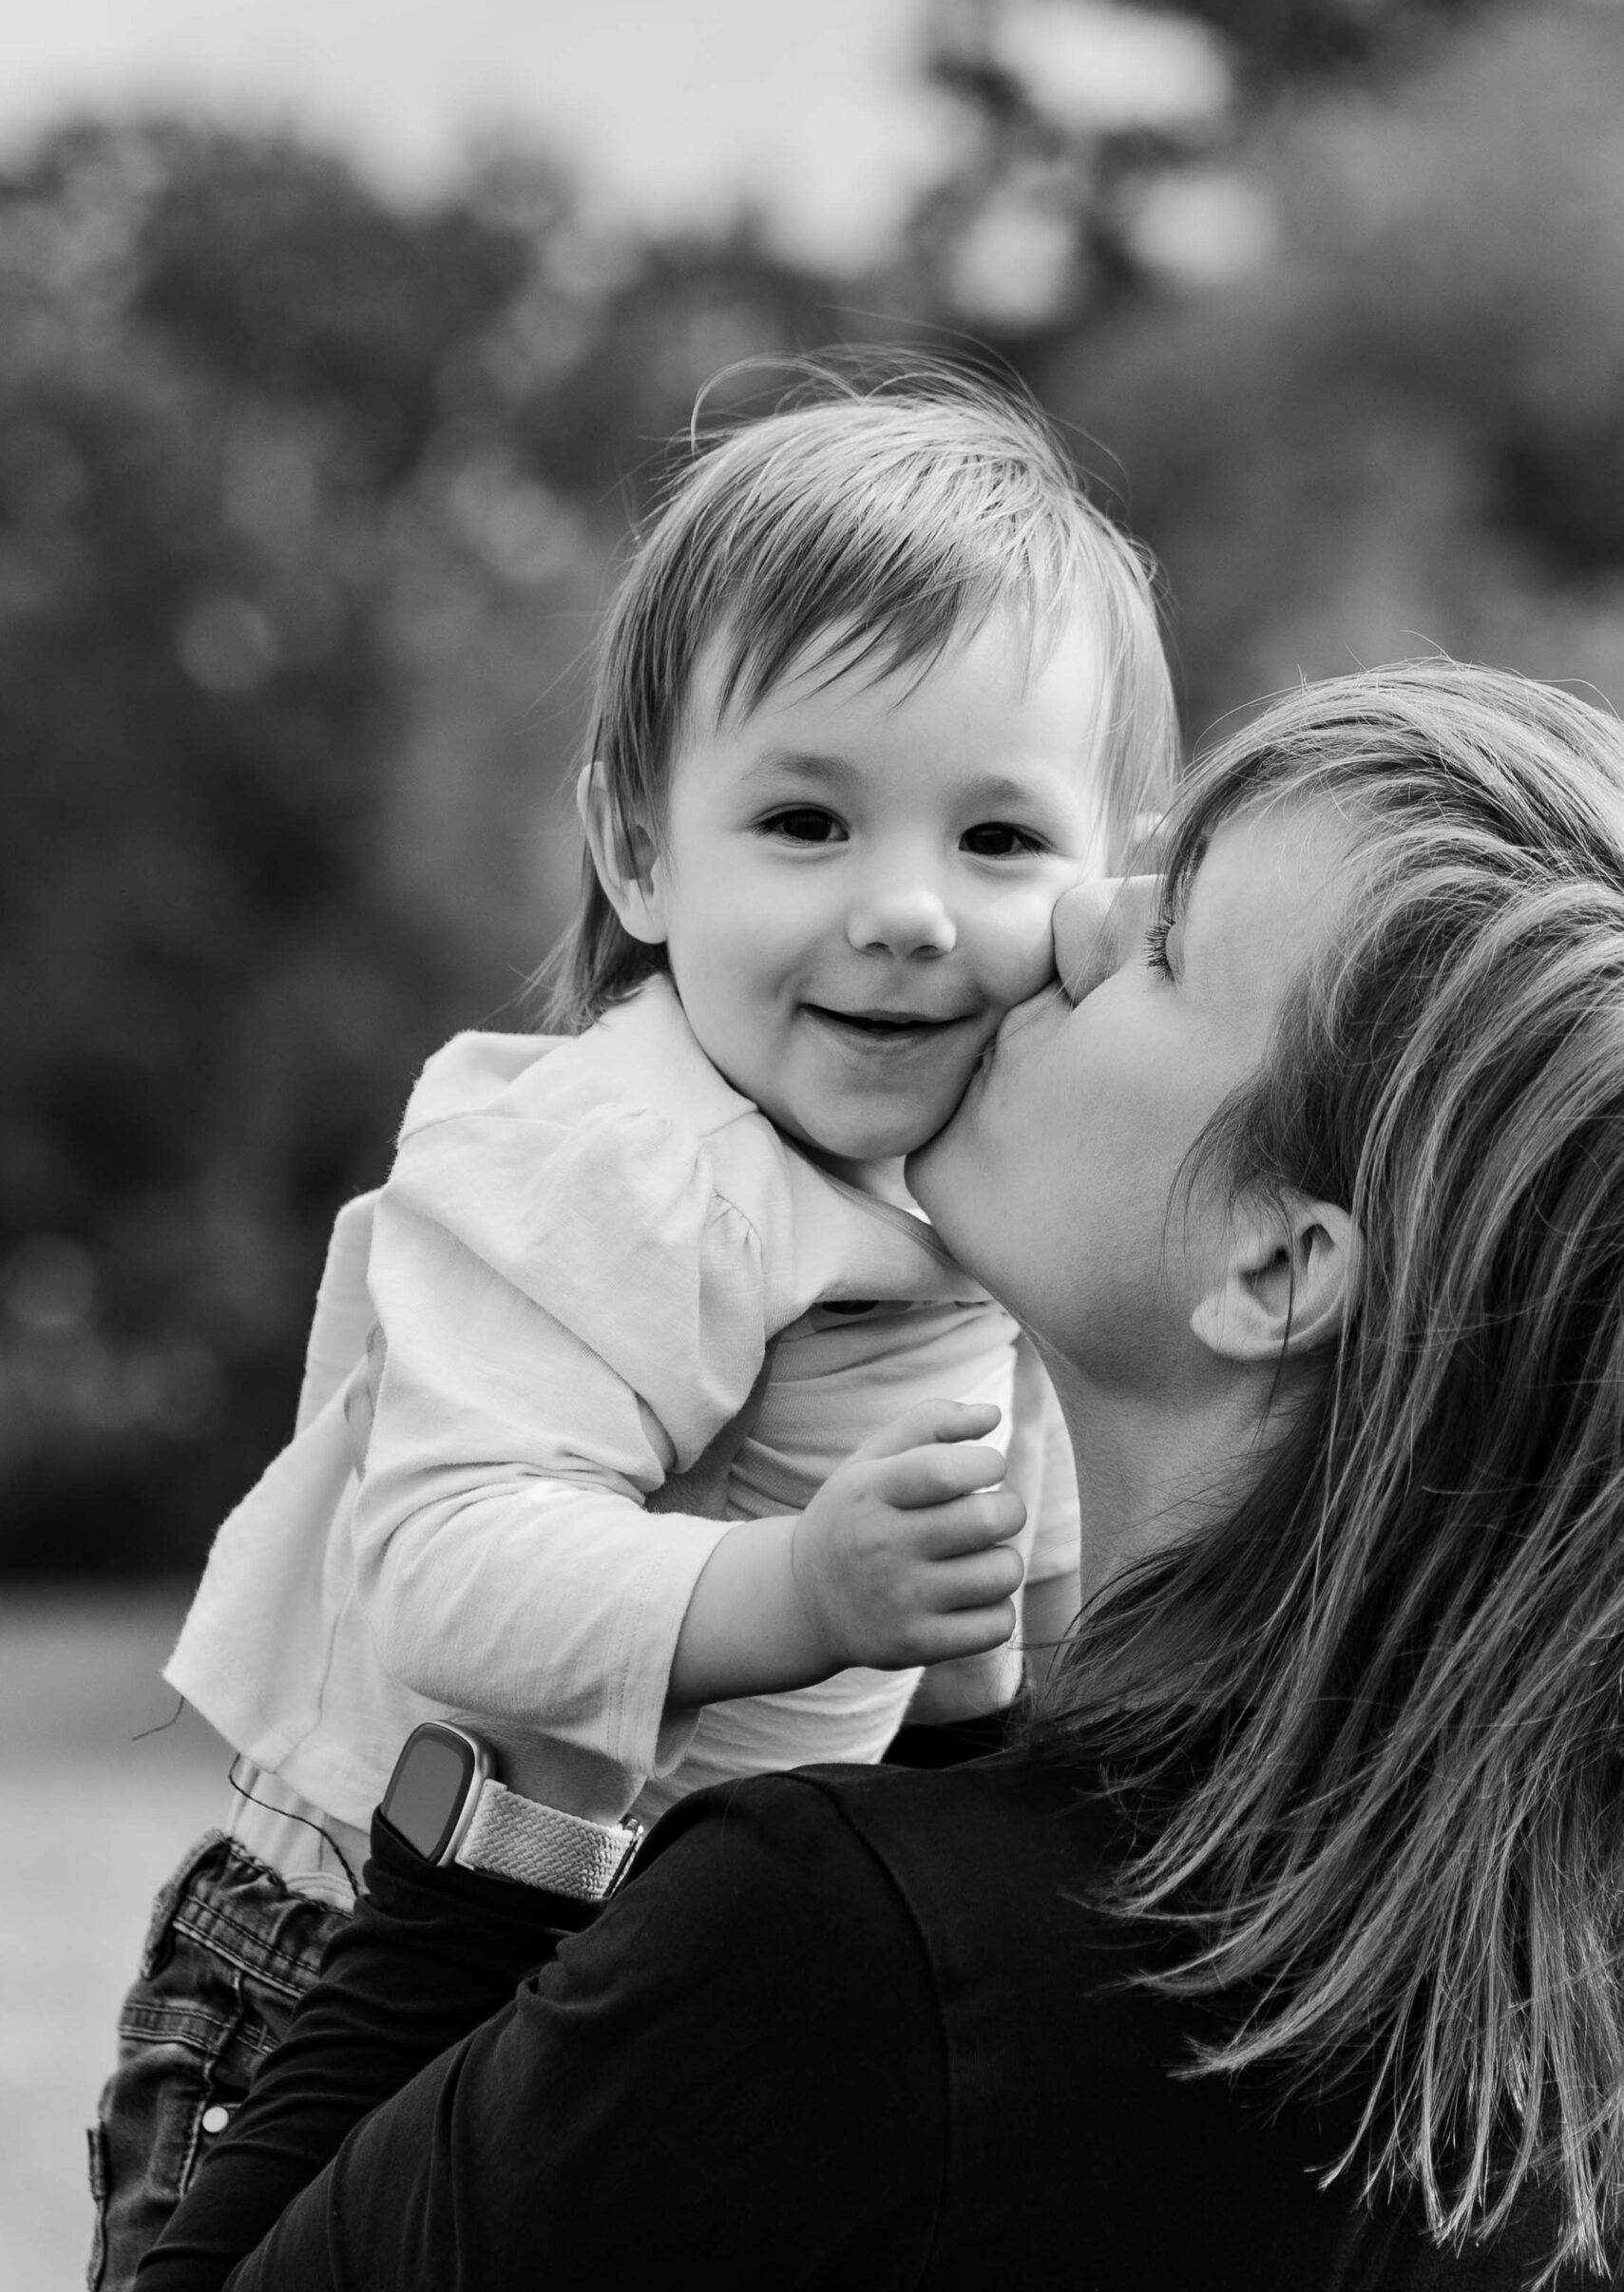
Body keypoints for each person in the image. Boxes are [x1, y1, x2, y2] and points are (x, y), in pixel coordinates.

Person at [143, 660, 1624, 2290]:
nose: (1069, 920)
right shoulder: (1551, 2070)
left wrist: (498, 1848)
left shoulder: (840, 1961)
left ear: (1274, 1268)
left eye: (1166, 946)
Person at [90, 362, 1177, 2287]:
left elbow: (1003, 1605)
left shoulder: (984, 1177)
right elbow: (442, 1563)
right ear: (640, 850)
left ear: (1109, 887)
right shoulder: (622, 1161)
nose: (910, 910)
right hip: (344, 1957)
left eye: (1000, 841)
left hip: (666, 1975)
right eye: (807, 819)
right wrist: (795, 1591)